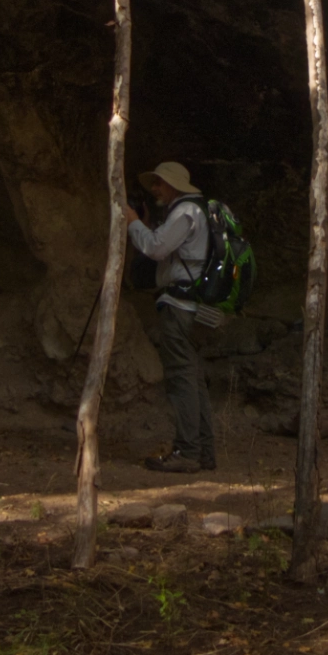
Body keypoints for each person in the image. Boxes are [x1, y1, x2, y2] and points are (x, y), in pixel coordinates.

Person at [123, 161, 215, 474]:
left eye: (159, 184)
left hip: (181, 307)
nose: (155, 190)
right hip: (194, 306)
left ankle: (188, 452)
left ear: (173, 184)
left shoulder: (185, 212)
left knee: (181, 380)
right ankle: (204, 452)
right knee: (193, 378)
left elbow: (156, 248)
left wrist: (133, 223)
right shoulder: (196, 211)